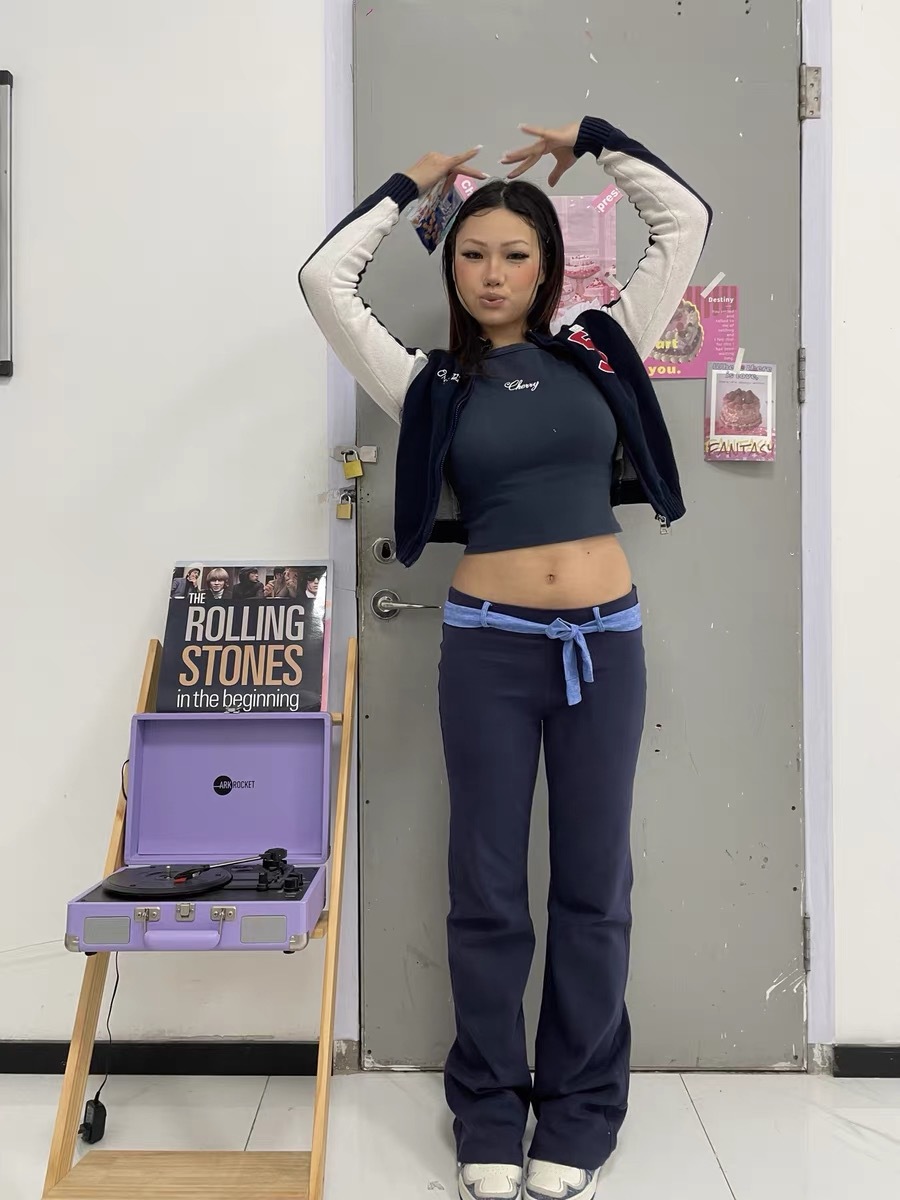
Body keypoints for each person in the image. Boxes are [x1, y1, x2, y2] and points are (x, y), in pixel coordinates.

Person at [299, 116, 711, 1200]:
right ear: (453, 267)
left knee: (594, 888)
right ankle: (488, 1111)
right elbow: (324, 282)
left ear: (546, 266)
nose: (491, 273)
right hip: (486, 649)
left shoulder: (605, 345)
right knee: (485, 890)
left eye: (514, 255)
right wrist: (412, 184)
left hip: (603, 647)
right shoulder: (428, 383)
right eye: (473, 253)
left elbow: (684, 220)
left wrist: (596, 140)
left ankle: (580, 1113)